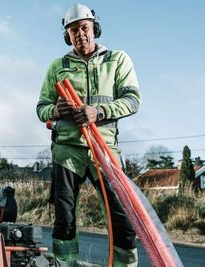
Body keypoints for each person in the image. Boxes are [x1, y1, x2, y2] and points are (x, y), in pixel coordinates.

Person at [36, 3, 141, 267]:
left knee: (123, 219)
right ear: (67, 35)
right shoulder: (57, 67)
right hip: (67, 153)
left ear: (94, 28)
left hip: (104, 150)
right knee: (65, 221)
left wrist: (100, 111)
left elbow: (133, 100)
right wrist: (55, 110)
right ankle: (64, 264)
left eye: (84, 27)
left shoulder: (117, 60)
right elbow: (41, 109)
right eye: (73, 30)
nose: (80, 34)